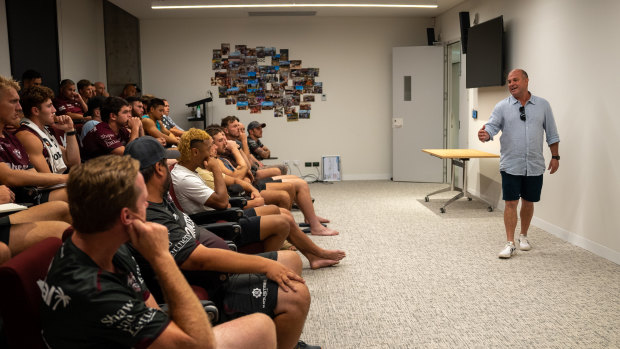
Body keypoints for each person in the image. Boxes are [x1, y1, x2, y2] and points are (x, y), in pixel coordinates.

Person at [40, 155, 277, 348]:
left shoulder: (101, 240)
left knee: (260, 327)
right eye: (144, 201)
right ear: (126, 216)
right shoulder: (93, 289)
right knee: (260, 327)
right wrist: (161, 257)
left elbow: (149, 306)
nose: (148, 206)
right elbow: (199, 344)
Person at [124, 137, 321, 349]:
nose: (171, 167)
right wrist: (267, 265)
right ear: (158, 169)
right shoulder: (150, 213)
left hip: (214, 260)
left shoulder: (159, 195)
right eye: (165, 163)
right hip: (210, 279)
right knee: (296, 295)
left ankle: (284, 337)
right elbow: (199, 260)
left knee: (291, 260)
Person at [175, 129, 345, 268]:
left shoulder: (191, 170)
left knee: (283, 212)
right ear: (195, 152)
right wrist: (215, 168)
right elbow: (222, 202)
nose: (211, 156)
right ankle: (265, 265)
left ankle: (314, 256)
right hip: (219, 224)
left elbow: (225, 195)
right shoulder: (186, 178)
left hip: (223, 215)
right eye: (207, 150)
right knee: (282, 222)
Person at [478, 69, 560, 259]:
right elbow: (491, 127)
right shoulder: (502, 107)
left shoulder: (543, 105)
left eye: (515, 80)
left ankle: (524, 236)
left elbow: (552, 133)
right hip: (511, 164)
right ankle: (510, 243)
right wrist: (485, 135)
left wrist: (555, 157)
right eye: (509, 81)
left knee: (528, 201)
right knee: (511, 202)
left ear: (526, 81)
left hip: (534, 164)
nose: (511, 84)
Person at [207, 126, 338, 236]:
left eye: (224, 138)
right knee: (294, 187)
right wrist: (237, 150)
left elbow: (249, 164)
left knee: (297, 181)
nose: (225, 141)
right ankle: (302, 227)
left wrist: (240, 149)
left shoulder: (225, 153)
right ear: (212, 145)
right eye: (220, 139)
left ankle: (309, 219)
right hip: (245, 191)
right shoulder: (220, 157)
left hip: (249, 184)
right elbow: (238, 174)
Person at [0, 75, 68, 204]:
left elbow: (32, 174)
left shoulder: (11, 138)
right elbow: (8, 176)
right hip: (16, 204)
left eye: (19, 102)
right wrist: (68, 178)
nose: (19, 108)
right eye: (13, 101)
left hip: (31, 195)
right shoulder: (25, 135)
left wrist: (70, 132)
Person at [16, 85, 80, 173]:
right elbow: (47, 180)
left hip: (57, 182)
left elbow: (73, 162)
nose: (54, 110)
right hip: (49, 185)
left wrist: (70, 130)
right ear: (35, 111)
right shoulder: (28, 136)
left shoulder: (44, 131)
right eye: (49, 106)